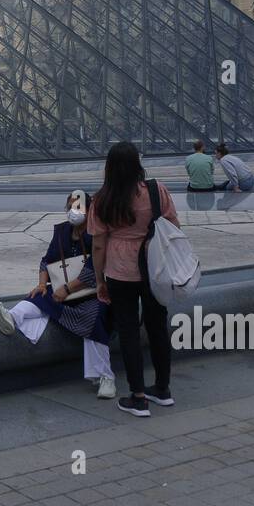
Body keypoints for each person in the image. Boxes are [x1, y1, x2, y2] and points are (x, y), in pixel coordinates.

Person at [0, 191, 116, 398]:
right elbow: (47, 260)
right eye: (71, 206)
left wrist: (67, 289)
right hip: (63, 289)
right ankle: (10, 317)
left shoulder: (94, 233)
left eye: (79, 207)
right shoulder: (62, 232)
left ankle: (105, 376)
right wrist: (42, 283)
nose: (74, 211)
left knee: (94, 318)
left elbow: (93, 270)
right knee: (38, 296)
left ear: (89, 210)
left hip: (90, 293)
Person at [89, 141, 180, 416]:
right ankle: (162, 388)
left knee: (128, 330)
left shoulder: (102, 199)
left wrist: (99, 280)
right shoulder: (156, 190)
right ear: (137, 164)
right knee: (157, 326)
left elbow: (98, 245)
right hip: (154, 269)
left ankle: (138, 396)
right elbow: (174, 226)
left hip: (120, 271)